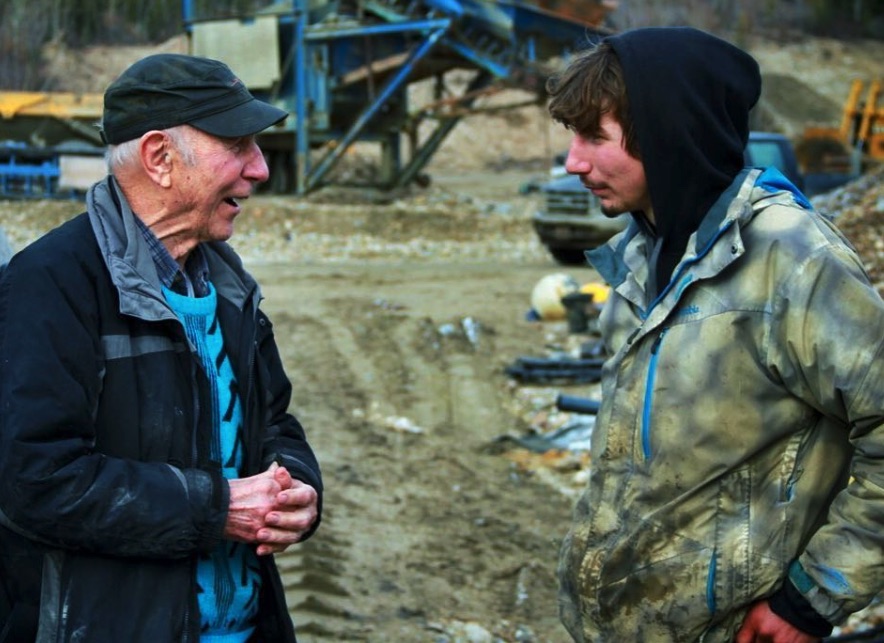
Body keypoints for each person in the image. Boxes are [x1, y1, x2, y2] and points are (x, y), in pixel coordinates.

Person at [546, 27, 884, 642]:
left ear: (669, 134)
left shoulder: (793, 259)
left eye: (595, 136)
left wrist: (812, 599)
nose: (574, 162)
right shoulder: (639, 258)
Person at [0, 53, 323, 642]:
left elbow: (274, 421)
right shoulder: (50, 283)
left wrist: (297, 487)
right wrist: (216, 508)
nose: (260, 170)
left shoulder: (227, 284)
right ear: (160, 158)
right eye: (240, 144)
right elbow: (35, 482)